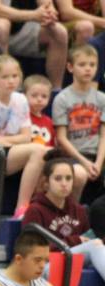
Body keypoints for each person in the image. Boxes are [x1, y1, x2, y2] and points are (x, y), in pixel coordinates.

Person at [0, 54, 50, 217]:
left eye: (15, 76)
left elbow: (26, 137)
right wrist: (1, 141)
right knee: (39, 151)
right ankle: (22, 208)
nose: (11, 81)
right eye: (5, 77)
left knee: (48, 156)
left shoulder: (20, 100)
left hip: (6, 150)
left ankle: (41, 208)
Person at [22, 151, 105, 280]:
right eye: (58, 178)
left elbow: (88, 239)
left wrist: (83, 242)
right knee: (94, 246)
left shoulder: (78, 210)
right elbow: (32, 251)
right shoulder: (35, 210)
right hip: (43, 267)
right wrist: (75, 241)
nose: (64, 183)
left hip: (72, 260)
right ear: (46, 182)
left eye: (68, 178)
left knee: (96, 246)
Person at [52, 44, 105, 203]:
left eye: (92, 65)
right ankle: (71, 213)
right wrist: (85, 162)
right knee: (80, 174)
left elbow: (103, 136)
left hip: (98, 156)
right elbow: (61, 138)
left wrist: (98, 162)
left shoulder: (102, 98)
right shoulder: (62, 98)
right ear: (70, 67)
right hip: (73, 156)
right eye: (82, 65)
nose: (88, 69)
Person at [0, 0, 68, 89]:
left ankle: (55, 92)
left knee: (59, 32)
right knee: (1, 26)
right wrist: (32, 15)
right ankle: (6, 88)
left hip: (24, 29)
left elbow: (49, 7)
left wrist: (50, 14)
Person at [25, 74, 55, 147]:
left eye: (44, 96)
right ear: (24, 96)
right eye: (34, 95)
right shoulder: (21, 118)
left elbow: (51, 145)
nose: (39, 99)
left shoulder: (49, 121)